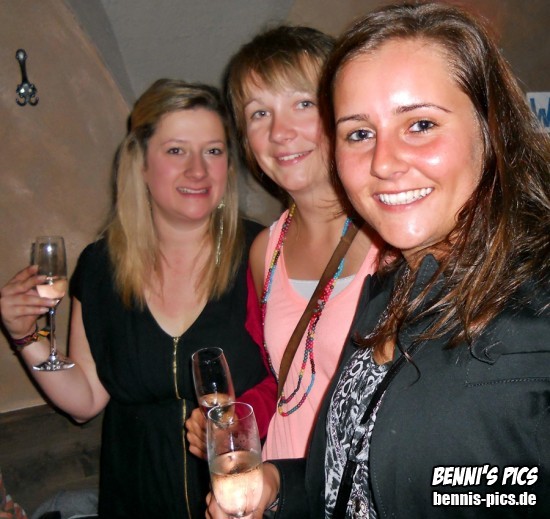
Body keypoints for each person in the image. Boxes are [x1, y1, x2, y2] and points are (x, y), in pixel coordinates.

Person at [235, 2, 550, 517]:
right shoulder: (391, 285)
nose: (383, 162)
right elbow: (352, 472)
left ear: (493, 128)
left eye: (420, 124)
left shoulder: (533, 330)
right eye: (360, 133)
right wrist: (278, 486)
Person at [0, 79, 270, 518]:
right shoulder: (101, 267)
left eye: (213, 151)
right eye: (176, 150)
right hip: (136, 501)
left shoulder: (266, 253)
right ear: (141, 164)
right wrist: (25, 336)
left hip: (241, 502)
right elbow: (85, 399)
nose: (198, 170)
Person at [186, 25, 381, 470]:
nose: (280, 132)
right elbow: (289, 384)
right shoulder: (265, 252)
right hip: (282, 483)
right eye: (259, 113)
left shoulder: (391, 238)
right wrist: (237, 419)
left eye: (303, 104)